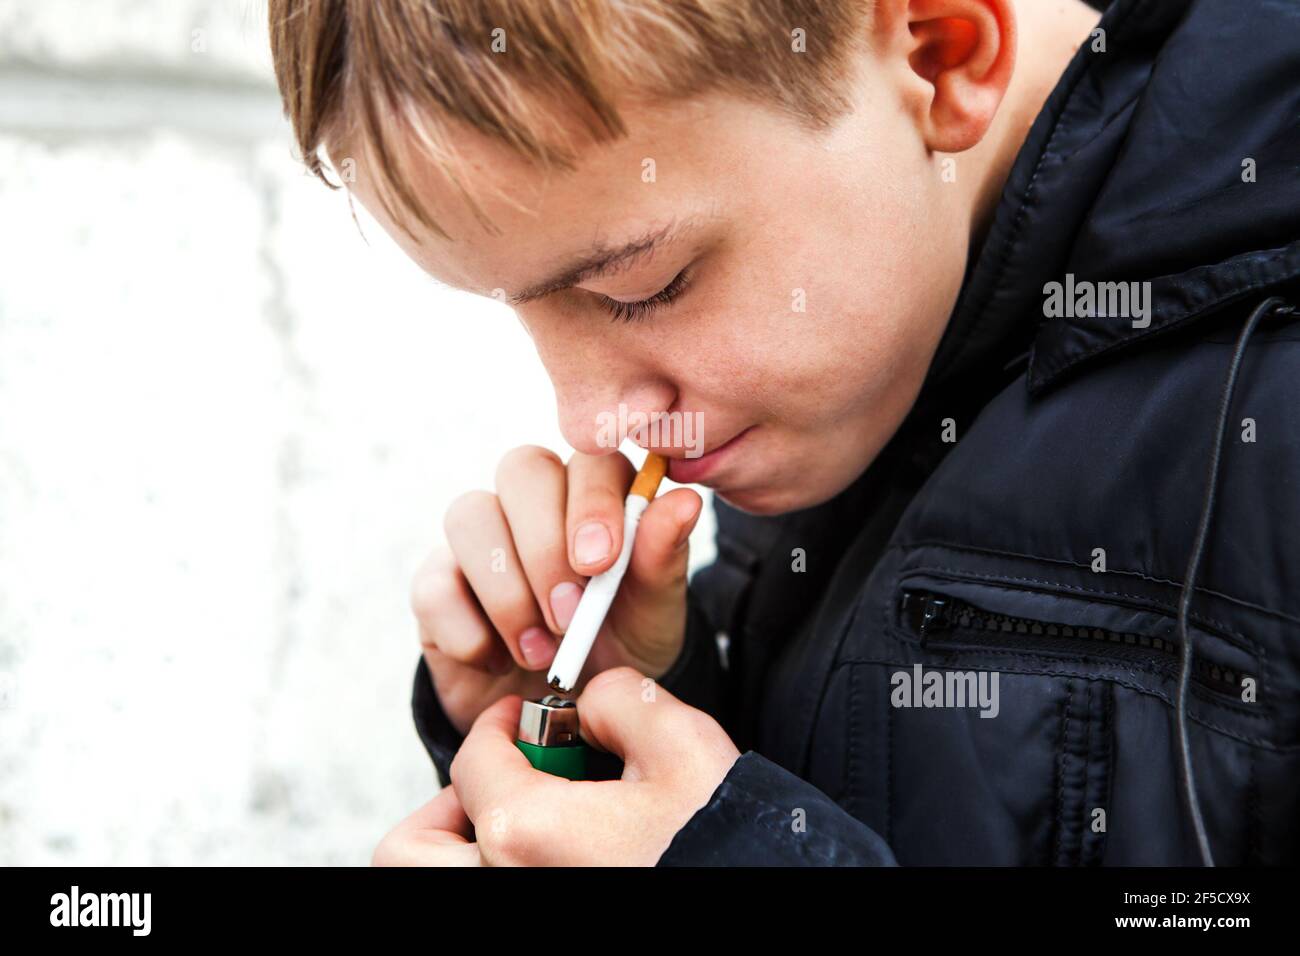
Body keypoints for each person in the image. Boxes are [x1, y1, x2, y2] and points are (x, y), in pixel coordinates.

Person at [268, 0, 1300, 865]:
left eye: (643, 286)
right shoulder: (868, 378)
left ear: (942, 55)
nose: (587, 418)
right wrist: (625, 722)